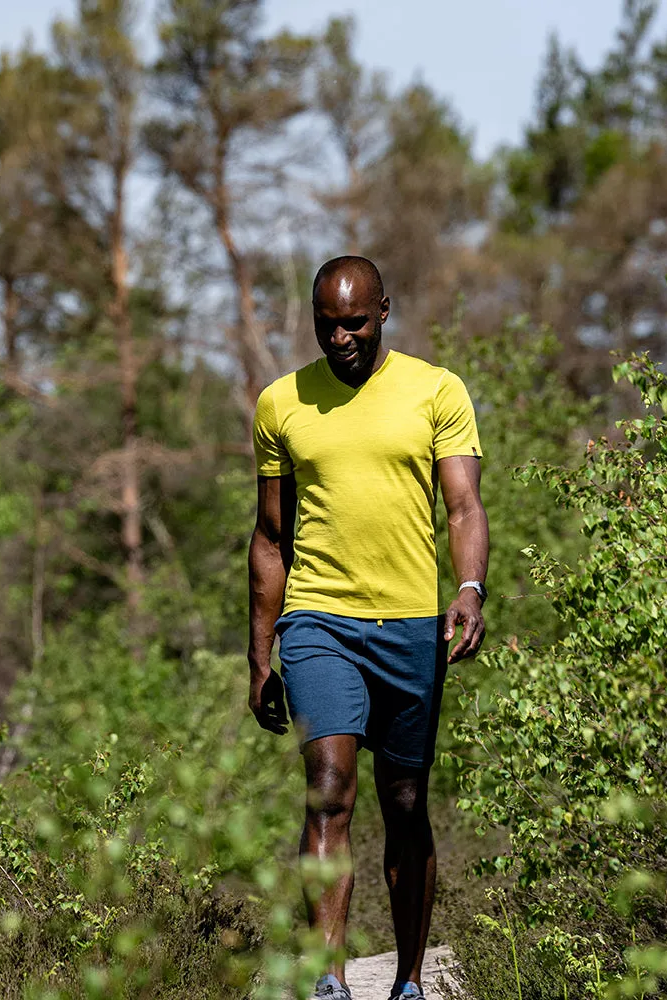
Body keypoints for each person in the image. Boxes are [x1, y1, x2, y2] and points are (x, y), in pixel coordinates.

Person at [247, 255, 489, 1000]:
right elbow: (268, 537)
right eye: (327, 325)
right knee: (328, 786)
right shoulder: (281, 403)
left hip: (411, 623)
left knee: (406, 801)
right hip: (320, 618)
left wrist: (470, 588)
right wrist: (261, 657)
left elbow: (463, 508)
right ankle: (329, 980)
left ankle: (411, 980)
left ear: (384, 309)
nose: (342, 337)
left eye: (355, 321)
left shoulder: (437, 391)